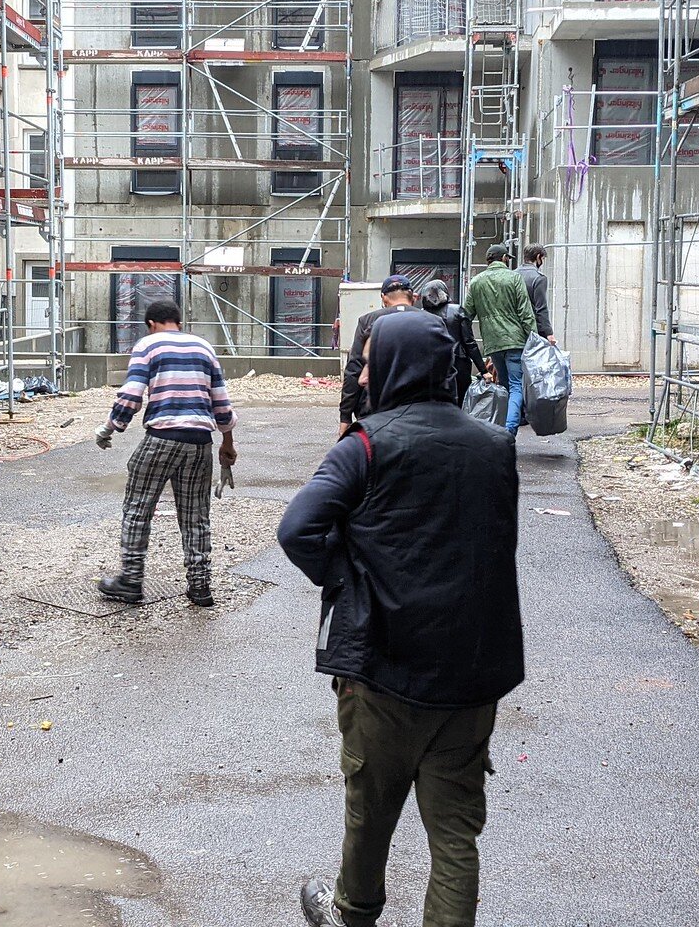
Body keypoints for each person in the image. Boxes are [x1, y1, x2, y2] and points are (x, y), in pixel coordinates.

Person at [278, 309, 523, 927]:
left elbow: (297, 529)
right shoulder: (495, 446)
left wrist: (346, 578)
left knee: (370, 810)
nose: (360, 374)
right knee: (456, 833)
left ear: (389, 366)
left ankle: (353, 915)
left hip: (382, 668)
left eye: (365, 361)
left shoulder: (363, 447)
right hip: (472, 672)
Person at [94, 300, 237, 607]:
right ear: (178, 321)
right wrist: (227, 443)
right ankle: (200, 587)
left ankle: (131, 582)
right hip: (201, 442)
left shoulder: (148, 345)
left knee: (137, 509)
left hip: (161, 438)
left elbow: (131, 395)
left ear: (152, 324)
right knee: (196, 517)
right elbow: (222, 403)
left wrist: (108, 429)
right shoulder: (204, 347)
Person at [463, 245, 535, 435]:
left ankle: (499, 428)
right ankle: (510, 430)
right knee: (516, 386)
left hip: (493, 344)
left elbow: (466, 315)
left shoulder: (476, 282)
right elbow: (525, 312)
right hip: (516, 341)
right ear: (503, 258)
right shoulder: (514, 278)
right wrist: (534, 339)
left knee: (504, 386)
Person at [338, 274, 415, 437]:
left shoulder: (368, 320)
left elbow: (354, 369)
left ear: (383, 298)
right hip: (416, 407)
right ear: (413, 297)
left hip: (373, 406)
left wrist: (345, 416)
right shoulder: (431, 322)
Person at [418, 279, 489, 402]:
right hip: (458, 361)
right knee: (461, 399)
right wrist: (483, 370)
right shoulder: (457, 311)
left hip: (432, 363)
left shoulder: (421, 315)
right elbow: (469, 343)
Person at [518, 244, 555, 346]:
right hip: (534, 329)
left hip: (514, 328)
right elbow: (541, 308)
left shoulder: (512, 274)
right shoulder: (539, 278)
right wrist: (549, 332)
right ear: (538, 257)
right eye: (542, 258)